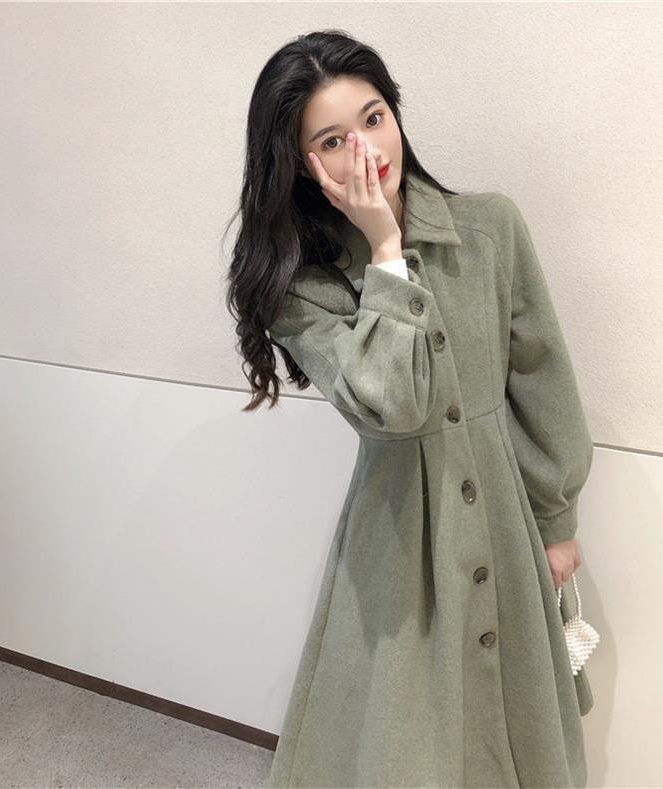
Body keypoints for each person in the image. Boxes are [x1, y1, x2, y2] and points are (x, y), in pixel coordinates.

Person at [224, 29, 595, 789]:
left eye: (373, 118)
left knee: (516, 724)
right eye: (332, 140)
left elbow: (541, 377)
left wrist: (556, 518)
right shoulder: (300, 286)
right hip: (399, 539)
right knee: (408, 746)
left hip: (505, 517)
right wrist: (385, 251)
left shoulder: (490, 229)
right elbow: (391, 406)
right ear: (299, 163)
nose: (364, 149)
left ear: (395, 114)